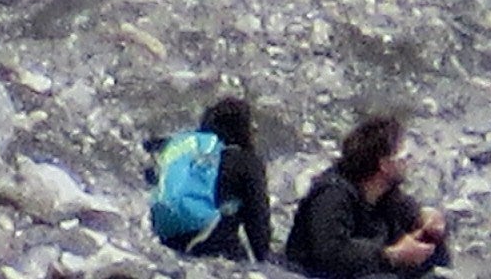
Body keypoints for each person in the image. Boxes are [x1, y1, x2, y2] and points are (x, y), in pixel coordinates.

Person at [287, 113, 449, 277]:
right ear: (384, 164)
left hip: (365, 268)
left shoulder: (385, 194)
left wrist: (427, 220)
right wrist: (390, 255)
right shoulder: (332, 195)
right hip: (315, 274)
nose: (408, 162)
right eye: (404, 156)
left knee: (434, 245)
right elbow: (332, 253)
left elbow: (410, 213)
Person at [151, 93, 277, 262]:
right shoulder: (245, 162)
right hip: (209, 242)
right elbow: (258, 225)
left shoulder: (183, 147)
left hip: (165, 235)